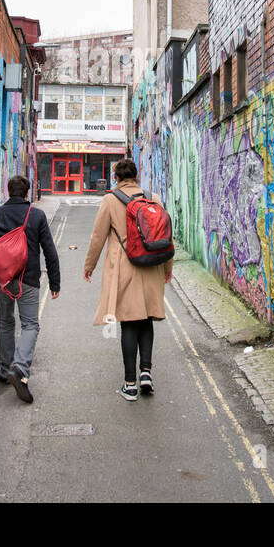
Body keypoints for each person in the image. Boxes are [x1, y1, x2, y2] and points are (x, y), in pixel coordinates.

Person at [83, 159, 172, 401]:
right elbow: (165, 234)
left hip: (125, 268)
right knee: (147, 319)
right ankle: (146, 373)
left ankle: (130, 384)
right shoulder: (153, 197)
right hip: (152, 266)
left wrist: (89, 265)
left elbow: (98, 236)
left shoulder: (111, 200)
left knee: (129, 323)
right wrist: (167, 267)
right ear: (135, 176)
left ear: (117, 178)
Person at [0, 175, 60, 403]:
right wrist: (55, 282)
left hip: (2, 280)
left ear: (8, 191)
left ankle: (5, 370)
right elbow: (49, 251)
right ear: (26, 193)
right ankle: (20, 367)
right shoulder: (36, 215)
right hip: (29, 279)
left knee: (5, 321)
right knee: (30, 324)